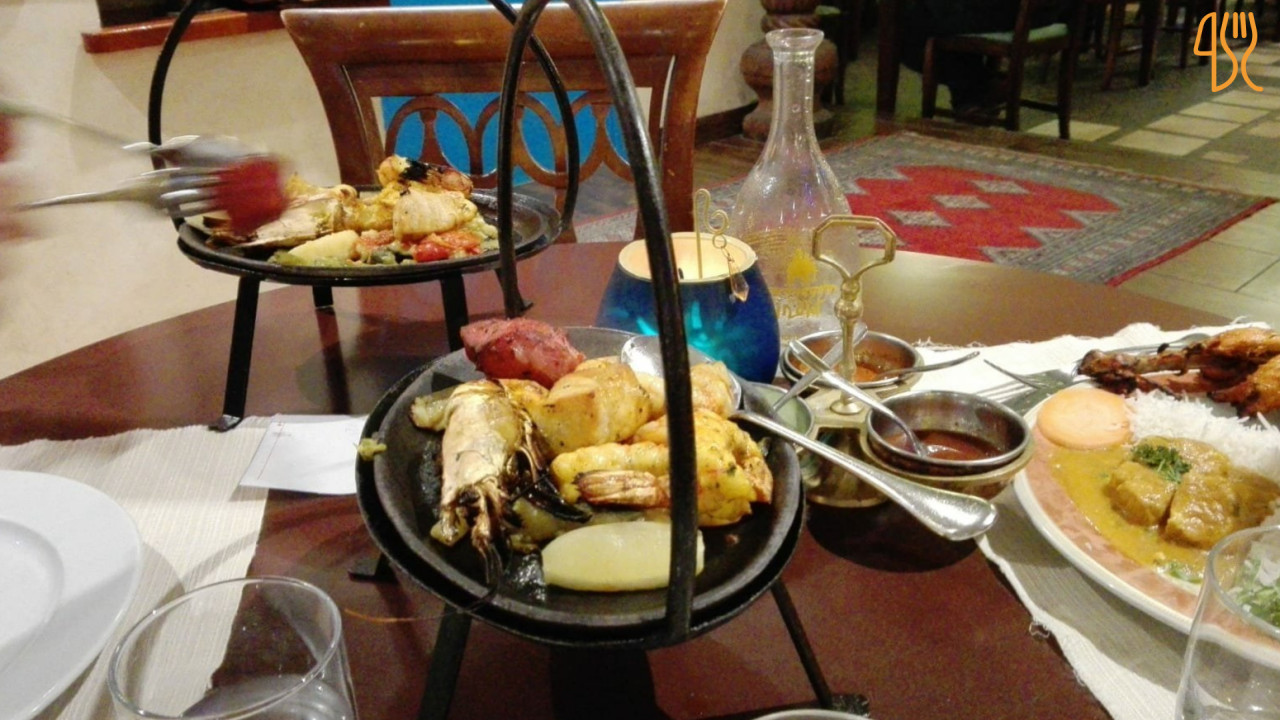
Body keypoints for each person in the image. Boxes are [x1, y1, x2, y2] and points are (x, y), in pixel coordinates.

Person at [896, 0, 1064, 118]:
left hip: (1016, 11)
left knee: (904, 24)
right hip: (1044, 10)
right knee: (922, 15)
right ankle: (978, 90)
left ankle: (977, 87)